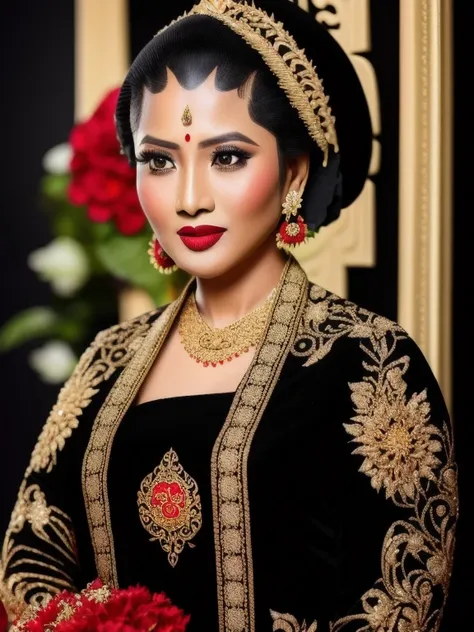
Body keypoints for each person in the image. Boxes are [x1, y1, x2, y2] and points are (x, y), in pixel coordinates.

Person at [0, 1, 457, 630]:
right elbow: (32, 556)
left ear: (294, 172)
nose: (189, 198)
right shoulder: (109, 361)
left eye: (229, 157)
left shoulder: (371, 363)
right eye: (159, 161)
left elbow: (403, 600)